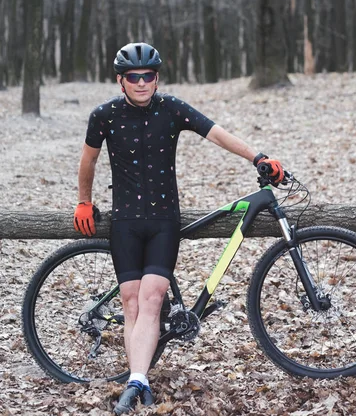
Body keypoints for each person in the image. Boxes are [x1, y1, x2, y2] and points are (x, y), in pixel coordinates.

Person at [73, 42, 284, 415]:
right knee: (131, 302)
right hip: (124, 222)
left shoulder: (172, 109)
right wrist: (84, 200)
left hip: (163, 221)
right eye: (134, 77)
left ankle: (136, 380)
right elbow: (88, 159)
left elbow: (216, 133)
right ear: (121, 80)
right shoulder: (103, 115)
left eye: (149, 76)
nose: (142, 83)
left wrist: (258, 156)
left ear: (157, 77)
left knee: (153, 298)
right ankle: (139, 376)